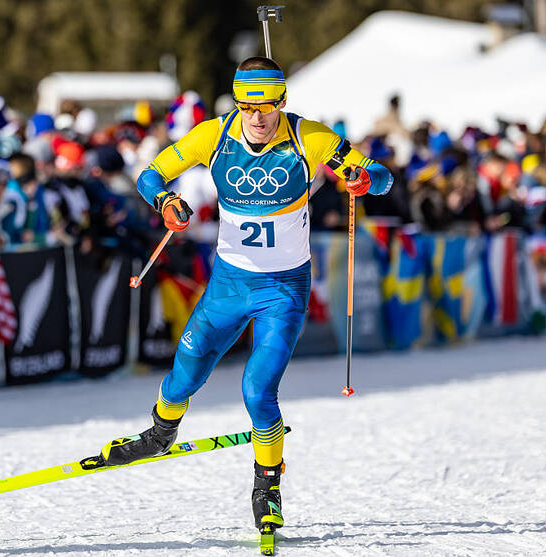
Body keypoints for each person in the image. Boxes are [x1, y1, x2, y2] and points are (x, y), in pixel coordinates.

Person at [100, 57, 392, 536]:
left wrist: (365, 179)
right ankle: (161, 432)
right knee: (183, 372)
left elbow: (379, 174)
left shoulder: (309, 138)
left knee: (258, 390)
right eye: (248, 105)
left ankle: (267, 487)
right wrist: (166, 201)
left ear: (282, 102)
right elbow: (150, 175)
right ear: (237, 102)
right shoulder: (212, 135)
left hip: (282, 290)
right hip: (228, 286)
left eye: (268, 106)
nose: (257, 117)